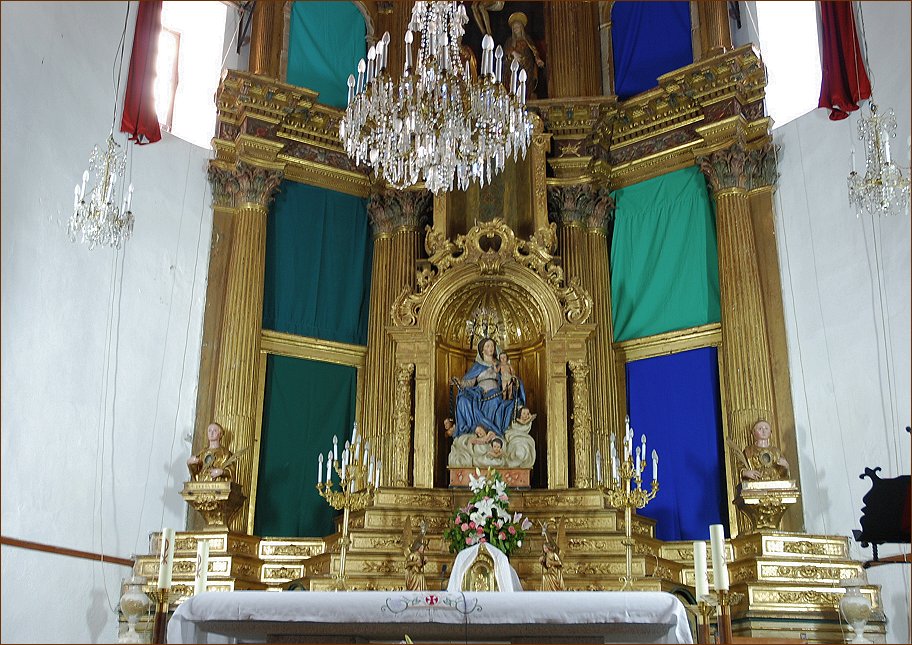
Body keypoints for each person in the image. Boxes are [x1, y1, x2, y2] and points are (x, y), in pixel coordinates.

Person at [451, 337, 526, 438]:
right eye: (488, 346)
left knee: (495, 401)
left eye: (492, 346)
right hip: (478, 393)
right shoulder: (477, 366)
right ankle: (473, 429)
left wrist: (512, 380)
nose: (491, 348)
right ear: (482, 350)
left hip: (495, 392)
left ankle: (492, 431)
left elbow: (507, 376)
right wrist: (459, 382)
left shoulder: (499, 364)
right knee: (463, 400)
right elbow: (469, 382)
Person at [504, 12, 544, 99]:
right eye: (514, 28)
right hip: (513, 67)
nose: (516, 29)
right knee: (513, 83)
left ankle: (526, 96)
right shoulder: (510, 41)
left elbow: (534, 51)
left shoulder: (527, 39)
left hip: (527, 66)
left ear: (521, 27)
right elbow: (506, 52)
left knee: (526, 84)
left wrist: (537, 59)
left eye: (517, 27)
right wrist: (513, 53)